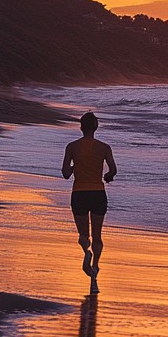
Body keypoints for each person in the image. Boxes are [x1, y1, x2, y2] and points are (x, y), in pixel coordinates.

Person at [62, 111, 117, 281]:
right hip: (98, 193)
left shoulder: (72, 147)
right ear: (96, 127)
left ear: (80, 127)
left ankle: (87, 252)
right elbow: (113, 170)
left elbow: (65, 173)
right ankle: (95, 267)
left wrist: (75, 166)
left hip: (79, 193)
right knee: (98, 236)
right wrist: (108, 177)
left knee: (83, 235)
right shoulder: (104, 147)